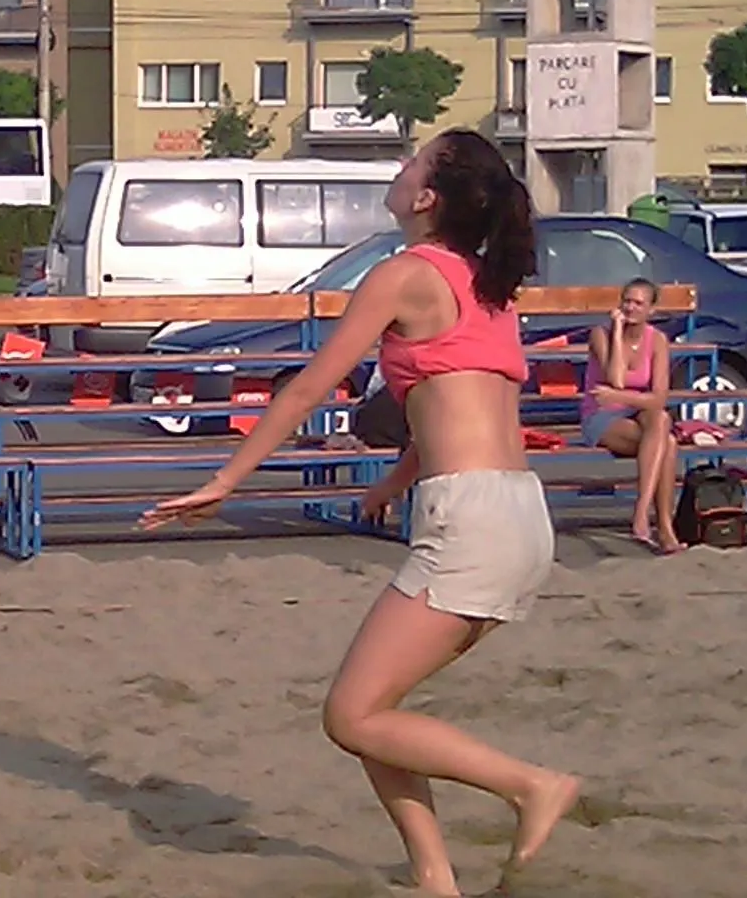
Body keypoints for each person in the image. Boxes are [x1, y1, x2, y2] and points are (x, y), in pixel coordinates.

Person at [140, 129, 580, 893]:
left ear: (427, 197)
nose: (399, 170)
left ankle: (531, 785)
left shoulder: (404, 273)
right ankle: (433, 875)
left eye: (413, 162)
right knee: (376, 706)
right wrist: (397, 480)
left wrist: (226, 480)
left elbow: (308, 389)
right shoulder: (484, 282)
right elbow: (464, 401)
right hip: (516, 512)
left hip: (472, 519)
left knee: (351, 715)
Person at [582, 278, 680, 554]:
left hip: (638, 413)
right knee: (667, 443)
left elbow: (659, 398)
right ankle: (661, 526)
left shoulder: (658, 340)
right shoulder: (600, 334)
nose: (631, 307)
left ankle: (644, 512)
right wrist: (617, 331)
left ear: (651, 310)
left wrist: (620, 397)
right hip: (602, 415)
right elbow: (616, 378)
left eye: (638, 303)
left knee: (661, 420)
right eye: (627, 301)